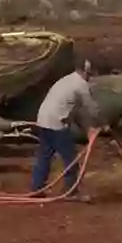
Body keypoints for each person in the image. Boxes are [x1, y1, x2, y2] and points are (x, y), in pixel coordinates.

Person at [31, 55, 96, 196]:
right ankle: (70, 191)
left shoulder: (67, 80)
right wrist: (103, 124)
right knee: (70, 158)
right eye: (90, 73)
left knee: (44, 155)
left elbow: (73, 111)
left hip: (43, 119)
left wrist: (87, 129)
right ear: (86, 71)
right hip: (56, 123)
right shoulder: (82, 85)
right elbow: (93, 109)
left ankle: (36, 188)